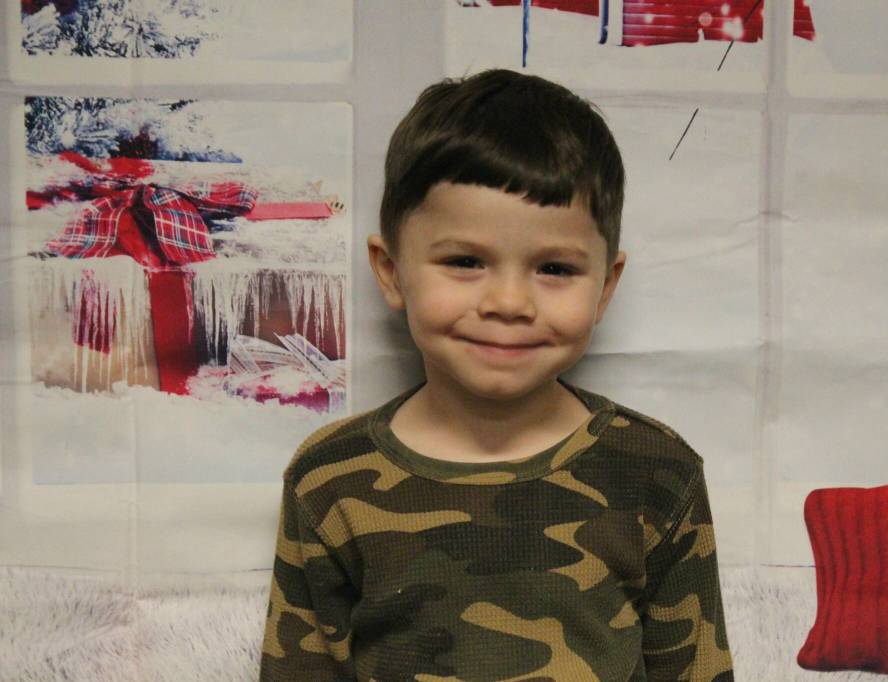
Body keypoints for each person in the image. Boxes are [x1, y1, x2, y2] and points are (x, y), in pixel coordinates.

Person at [259, 69, 734, 681]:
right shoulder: (328, 477)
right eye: (465, 261)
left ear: (606, 286)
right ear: (390, 270)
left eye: (555, 268)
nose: (509, 302)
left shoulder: (657, 471)